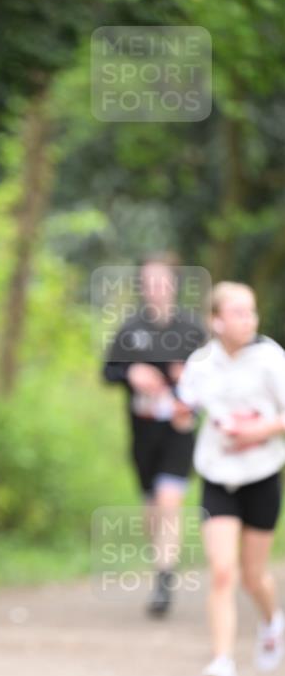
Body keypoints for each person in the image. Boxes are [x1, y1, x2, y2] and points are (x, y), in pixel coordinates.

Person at [176, 282, 285, 676]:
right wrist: (182, 416)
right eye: (238, 312)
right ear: (216, 320)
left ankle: (272, 620)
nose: (248, 320)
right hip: (217, 478)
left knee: (254, 576)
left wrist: (258, 429)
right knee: (223, 571)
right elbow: (184, 413)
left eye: (252, 312)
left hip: (261, 475)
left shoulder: (271, 359)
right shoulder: (201, 364)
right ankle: (222, 664)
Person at [103, 253, 207, 615]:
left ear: (174, 285)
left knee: (168, 502)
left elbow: (212, 380)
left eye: (161, 282)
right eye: (148, 283)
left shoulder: (192, 331)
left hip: (179, 432)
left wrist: (185, 394)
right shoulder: (131, 329)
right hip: (143, 435)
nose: (155, 290)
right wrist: (132, 374)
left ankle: (164, 579)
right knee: (153, 510)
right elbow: (108, 371)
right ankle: (162, 564)